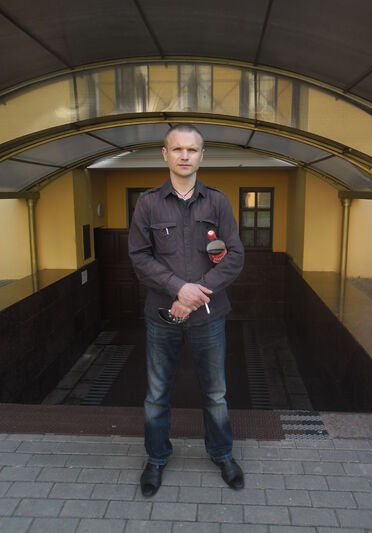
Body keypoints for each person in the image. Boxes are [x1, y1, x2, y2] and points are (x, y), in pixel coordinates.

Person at [128, 124, 245, 497]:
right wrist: (178, 288)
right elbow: (139, 257)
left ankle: (222, 454)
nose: (184, 155)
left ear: (201, 156)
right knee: (156, 394)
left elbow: (235, 255)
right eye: (177, 149)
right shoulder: (148, 203)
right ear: (165, 154)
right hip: (161, 316)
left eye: (191, 150)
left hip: (209, 317)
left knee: (215, 393)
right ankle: (156, 458)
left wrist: (195, 294)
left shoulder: (218, 202)